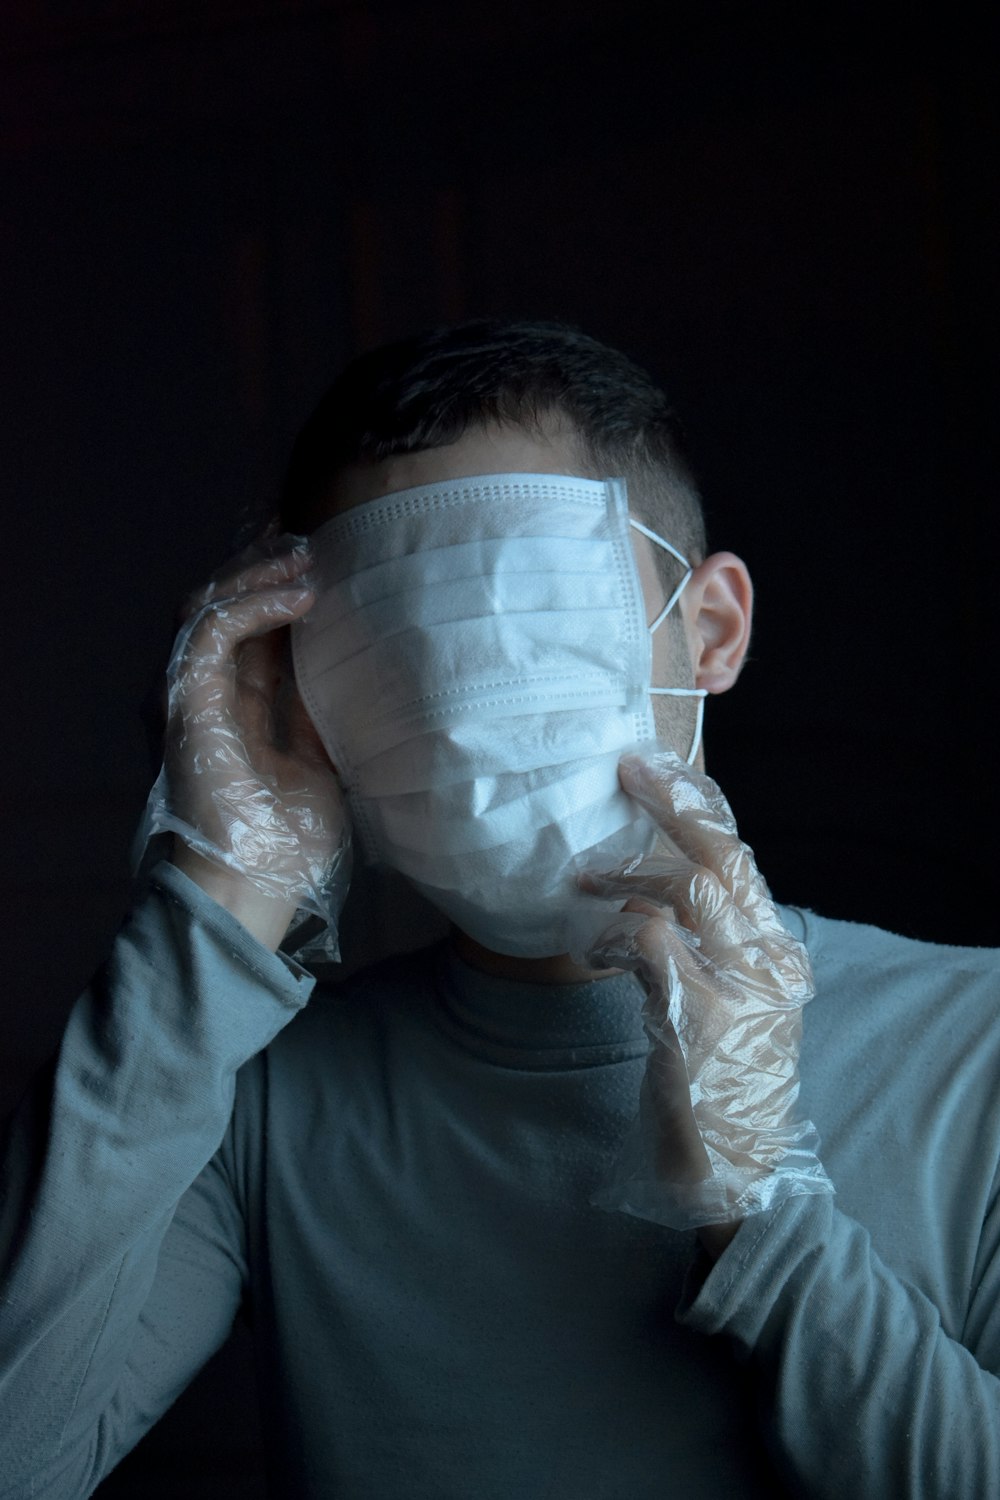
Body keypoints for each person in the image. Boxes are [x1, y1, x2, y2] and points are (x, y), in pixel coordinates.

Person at [1, 318, 998, 1499]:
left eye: (522, 633)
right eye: (385, 655)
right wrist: (214, 902)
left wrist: (763, 1198)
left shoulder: (974, 1039)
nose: (462, 727)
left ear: (710, 631)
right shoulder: (253, 1099)